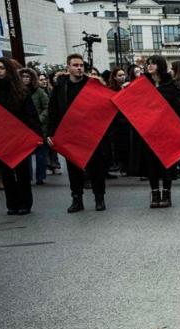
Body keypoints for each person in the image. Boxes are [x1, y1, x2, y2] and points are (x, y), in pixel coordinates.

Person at [47, 53, 108, 213]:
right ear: (68, 67)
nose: (79, 68)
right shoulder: (60, 86)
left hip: (91, 133)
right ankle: (77, 199)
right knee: (74, 169)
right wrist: (50, 133)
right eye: (75, 65)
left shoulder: (92, 85)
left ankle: (99, 198)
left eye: (81, 65)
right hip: (70, 134)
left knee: (96, 168)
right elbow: (53, 111)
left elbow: (103, 108)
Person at [0, 57, 40, 215]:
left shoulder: (21, 91)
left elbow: (31, 115)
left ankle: (25, 203)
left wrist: (35, 135)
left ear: (9, 70)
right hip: (2, 138)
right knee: (6, 173)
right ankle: (12, 204)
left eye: (2, 68)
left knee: (22, 172)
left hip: (19, 137)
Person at [142, 55, 180, 208]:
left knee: (167, 164)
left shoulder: (171, 86)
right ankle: (155, 193)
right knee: (151, 164)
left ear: (160, 66)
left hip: (166, 132)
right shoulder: (142, 85)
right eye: (148, 63)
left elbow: (179, 109)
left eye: (153, 63)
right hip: (148, 132)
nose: (150, 66)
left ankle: (166, 193)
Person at [20, 68, 50, 186]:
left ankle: (40, 177)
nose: (25, 79)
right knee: (25, 154)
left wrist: (40, 119)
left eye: (28, 76)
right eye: (23, 77)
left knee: (40, 153)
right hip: (23, 127)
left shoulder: (39, 92)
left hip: (38, 127)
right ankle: (27, 176)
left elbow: (47, 107)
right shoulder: (18, 92)